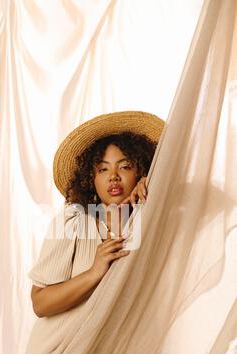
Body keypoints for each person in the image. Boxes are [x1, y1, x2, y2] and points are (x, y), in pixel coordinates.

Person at [28, 110, 164, 319]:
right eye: (102, 169)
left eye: (125, 166)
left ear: (140, 171)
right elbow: (40, 304)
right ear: (90, 178)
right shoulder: (72, 222)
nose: (113, 177)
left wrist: (156, 183)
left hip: (129, 348)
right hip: (65, 348)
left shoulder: (154, 218)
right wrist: (94, 272)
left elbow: (208, 201)